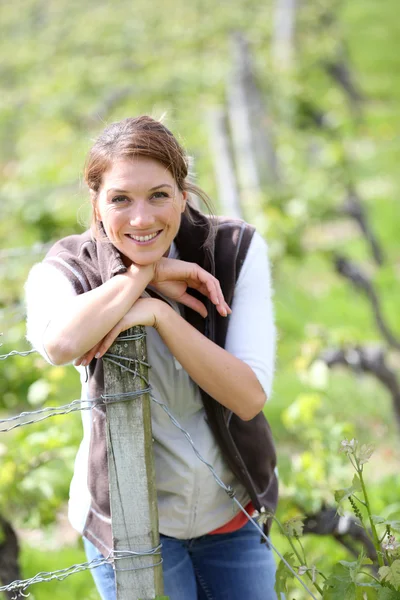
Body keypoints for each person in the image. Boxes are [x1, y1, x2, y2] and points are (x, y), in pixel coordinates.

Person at [25, 115, 278, 600]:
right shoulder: (68, 266)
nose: (141, 218)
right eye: (120, 199)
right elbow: (59, 344)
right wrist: (142, 276)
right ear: (97, 206)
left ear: (183, 196)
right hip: (131, 529)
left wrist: (162, 318)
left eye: (159, 195)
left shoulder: (234, 249)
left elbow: (248, 397)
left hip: (231, 515)